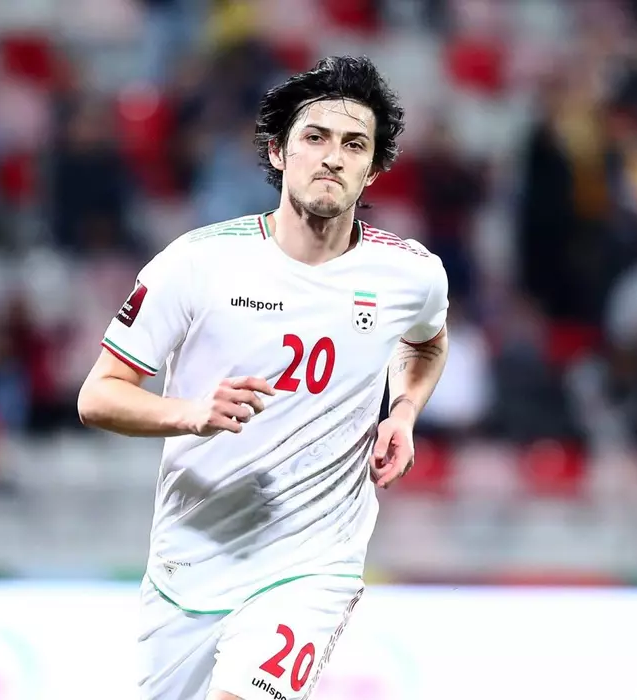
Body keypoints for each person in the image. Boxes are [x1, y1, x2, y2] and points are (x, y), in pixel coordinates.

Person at [78, 55, 449, 700]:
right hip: (191, 557)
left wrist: (404, 412)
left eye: (354, 145)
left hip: (312, 563)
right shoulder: (197, 264)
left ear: (372, 170)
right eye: (316, 138)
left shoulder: (410, 274)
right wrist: (192, 413)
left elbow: (427, 342)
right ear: (279, 152)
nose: (332, 158)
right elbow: (98, 395)